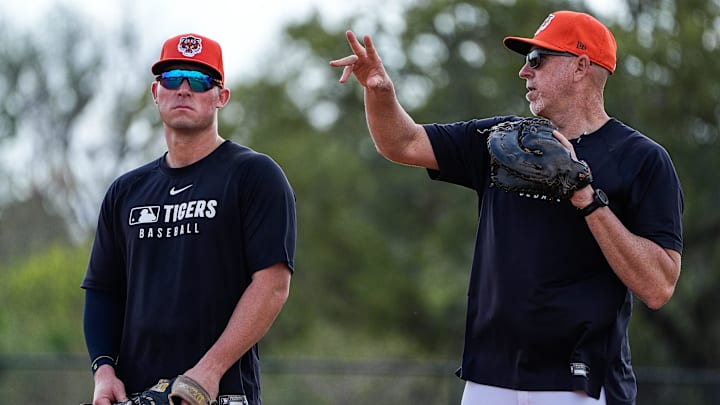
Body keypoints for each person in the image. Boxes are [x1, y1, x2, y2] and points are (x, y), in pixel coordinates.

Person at [330, 10, 682, 405]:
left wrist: (584, 195)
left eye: (537, 59)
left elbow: (658, 286)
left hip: (580, 384)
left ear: (581, 66)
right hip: (490, 379)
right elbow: (403, 143)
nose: (524, 72)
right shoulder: (502, 139)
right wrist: (379, 92)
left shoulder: (642, 158)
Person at [81, 33, 297, 405]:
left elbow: (273, 284)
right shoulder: (125, 191)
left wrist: (207, 373)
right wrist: (103, 372)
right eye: (171, 79)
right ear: (156, 92)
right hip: (136, 394)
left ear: (221, 96)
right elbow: (103, 290)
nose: (183, 89)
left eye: (198, 81)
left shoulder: (254, 175)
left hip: (220, 392)